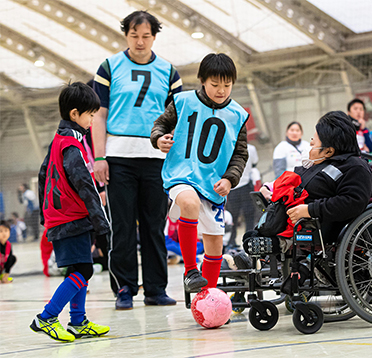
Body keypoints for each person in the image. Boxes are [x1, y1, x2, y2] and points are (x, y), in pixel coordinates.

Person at [91, 10, 181, 309]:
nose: (140, 42)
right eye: (134, 35)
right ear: (125, 35)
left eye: (146, 36)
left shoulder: (169, 72)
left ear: (154, 36)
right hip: (118, 158)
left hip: (156, 158)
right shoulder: (109, 67)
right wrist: (100, 156)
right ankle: (125, 289)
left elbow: (176, 118)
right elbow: (99, 115)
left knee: (155, 226)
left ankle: (156, 289)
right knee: (124, 226)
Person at [150, 53, 249, 295]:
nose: (221, 90)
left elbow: (240, 154)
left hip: (213, 185)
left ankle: (209, 296)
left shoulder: (238, 115)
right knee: (189, 202)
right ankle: (191, 271)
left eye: (227, 85)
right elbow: (160, 125)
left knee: (215, 243)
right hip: (181, 174)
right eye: (215, 84)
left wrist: (229, 179)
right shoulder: (183, 101)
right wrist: (158, 139)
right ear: (202, 80)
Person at [30, 83, 112, 342]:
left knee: (81, 267)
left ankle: (78, 321)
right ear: (75, 114)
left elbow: (44, 175)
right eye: (90, 114)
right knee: (82, 272)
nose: (92, 120)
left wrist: (46, 215)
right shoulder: (71, 146)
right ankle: (46, 317)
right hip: (71, 219)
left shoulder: (60, 140)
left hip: (63, 218)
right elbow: (85, 186)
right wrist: (103, 225)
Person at [278, 111, 372, 244]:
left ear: (329, 150)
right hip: (294, 218)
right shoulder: (320, 163)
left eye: (313, 143)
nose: (310, 144)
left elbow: (352, 202)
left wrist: (309, 210)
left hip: (321, 228)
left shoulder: (356, 168)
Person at [225, 143, 258, 247]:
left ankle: (249, 240)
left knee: (249, 214)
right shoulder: (226, 146)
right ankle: (231, 241)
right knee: (232, 216)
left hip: (246, 184)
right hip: (231, 185)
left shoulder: (251, 148)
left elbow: (254, 162)